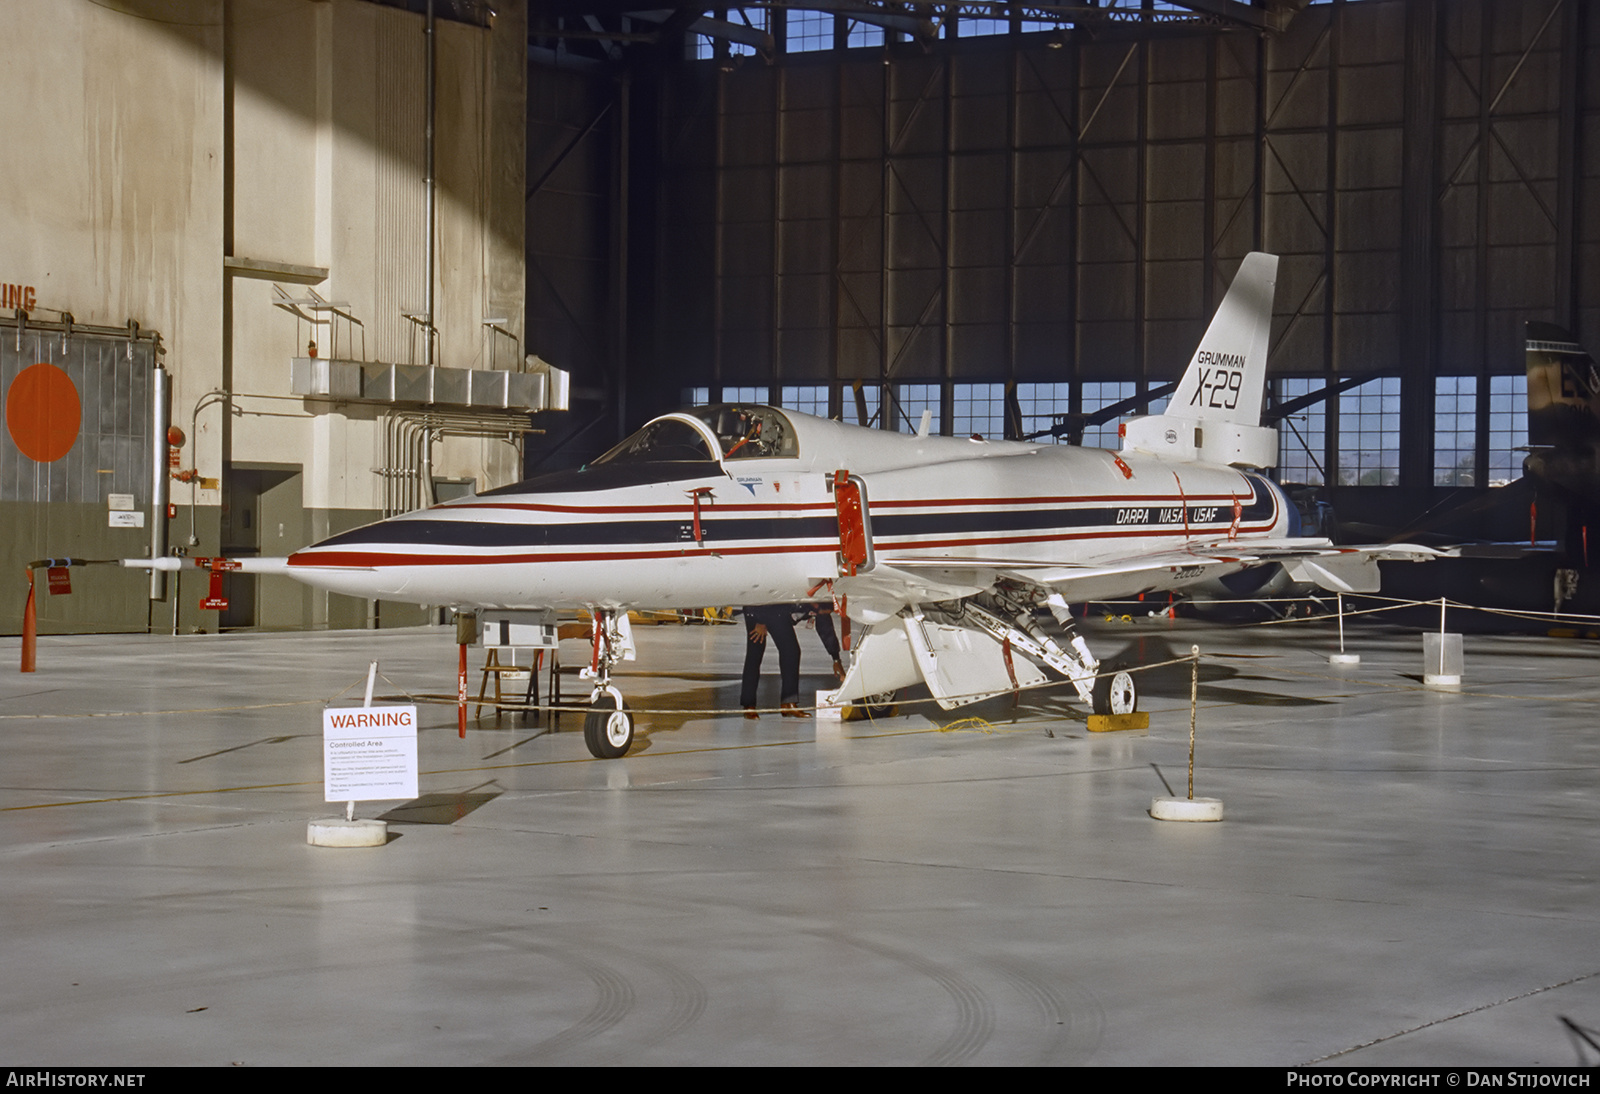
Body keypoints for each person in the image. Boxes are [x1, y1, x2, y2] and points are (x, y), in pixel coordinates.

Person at [740, 604, 806, 718]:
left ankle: (788, 701)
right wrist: (761, 621)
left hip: (777, 607)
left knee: (791, 651)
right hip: (756, 608)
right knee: (755, 653)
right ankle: (748, 705)